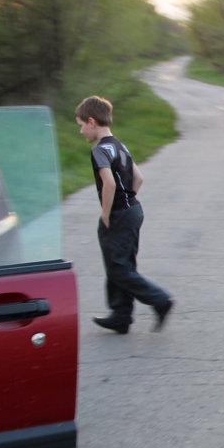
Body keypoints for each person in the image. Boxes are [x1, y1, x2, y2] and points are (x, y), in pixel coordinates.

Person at [76, 95, 173, 335]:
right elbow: (138, 178)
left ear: (91, 121)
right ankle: (121, 315)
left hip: (119, 214)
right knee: (120, 263)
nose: (80, 131)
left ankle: (160, 300)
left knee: (118, 268)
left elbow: (108, 184)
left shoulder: (99, 150)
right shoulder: (120, 145)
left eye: (80, 125)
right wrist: (128, 200)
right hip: (133, 210)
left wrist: (107, 213)